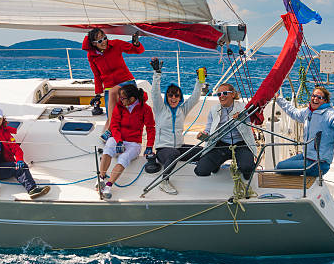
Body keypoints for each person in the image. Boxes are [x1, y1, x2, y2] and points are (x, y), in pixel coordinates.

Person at [274, 86, 334, 176]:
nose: (315, 98)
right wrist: (278, 98)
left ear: (325, 101)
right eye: (313, 96)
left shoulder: (329, 114)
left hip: (318, 164)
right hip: (306, 156)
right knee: (279, 167)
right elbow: (294, 112)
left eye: (319, 97)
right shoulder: (308, 112)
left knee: (280, 167)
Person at [150, 58, 206, 195]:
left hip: (179, 147)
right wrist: (157, 73)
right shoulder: (160, 108)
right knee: (173, 154)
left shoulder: (182, 110)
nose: (173, 98)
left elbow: (195, 97)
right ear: (167, 97)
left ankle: (212, 169)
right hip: (163, 149)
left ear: (180, 97)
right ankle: (164, 181)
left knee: (203, 151)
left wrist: (200, 81)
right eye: (170, 95)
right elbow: (155, 93)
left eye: (176, 95)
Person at [82, 28, 144, 142]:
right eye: (100, 41)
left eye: (104, 38)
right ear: (93, 44)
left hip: (126, 81)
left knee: (114, 98)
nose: (104, 42)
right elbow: (97, 75)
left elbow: (138, 50)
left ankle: (111, 131)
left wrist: (136, 43)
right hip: (109, 86)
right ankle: (113, 136)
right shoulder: (91, 56)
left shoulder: (116, 44)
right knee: (111, 115)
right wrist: (98, 94)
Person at [97, 84, 155, 199]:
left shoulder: (145, 109)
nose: (120, 100)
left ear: (132, 98)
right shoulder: (119, 106)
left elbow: (150, 128)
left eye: (122, 98)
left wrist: (149, 146)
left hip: (134, 143)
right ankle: (101, 178)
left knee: (124, 158)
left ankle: (109, 185)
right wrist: (119, 141)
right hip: (119, 139)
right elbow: (114, 125)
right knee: (108, 146)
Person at [194, 83, 257, 180]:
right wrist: (204, 134)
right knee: (201, 171)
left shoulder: (243, 108)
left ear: (232, 94)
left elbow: (251, 120)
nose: (221, 96)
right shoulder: (214, 109)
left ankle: (246, 172)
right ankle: (216, 166)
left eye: (224, 93)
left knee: (247, 167)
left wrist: (242, 117)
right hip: (221, 144)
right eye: (219, 94)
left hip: (241, 144)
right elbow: (208, 129)